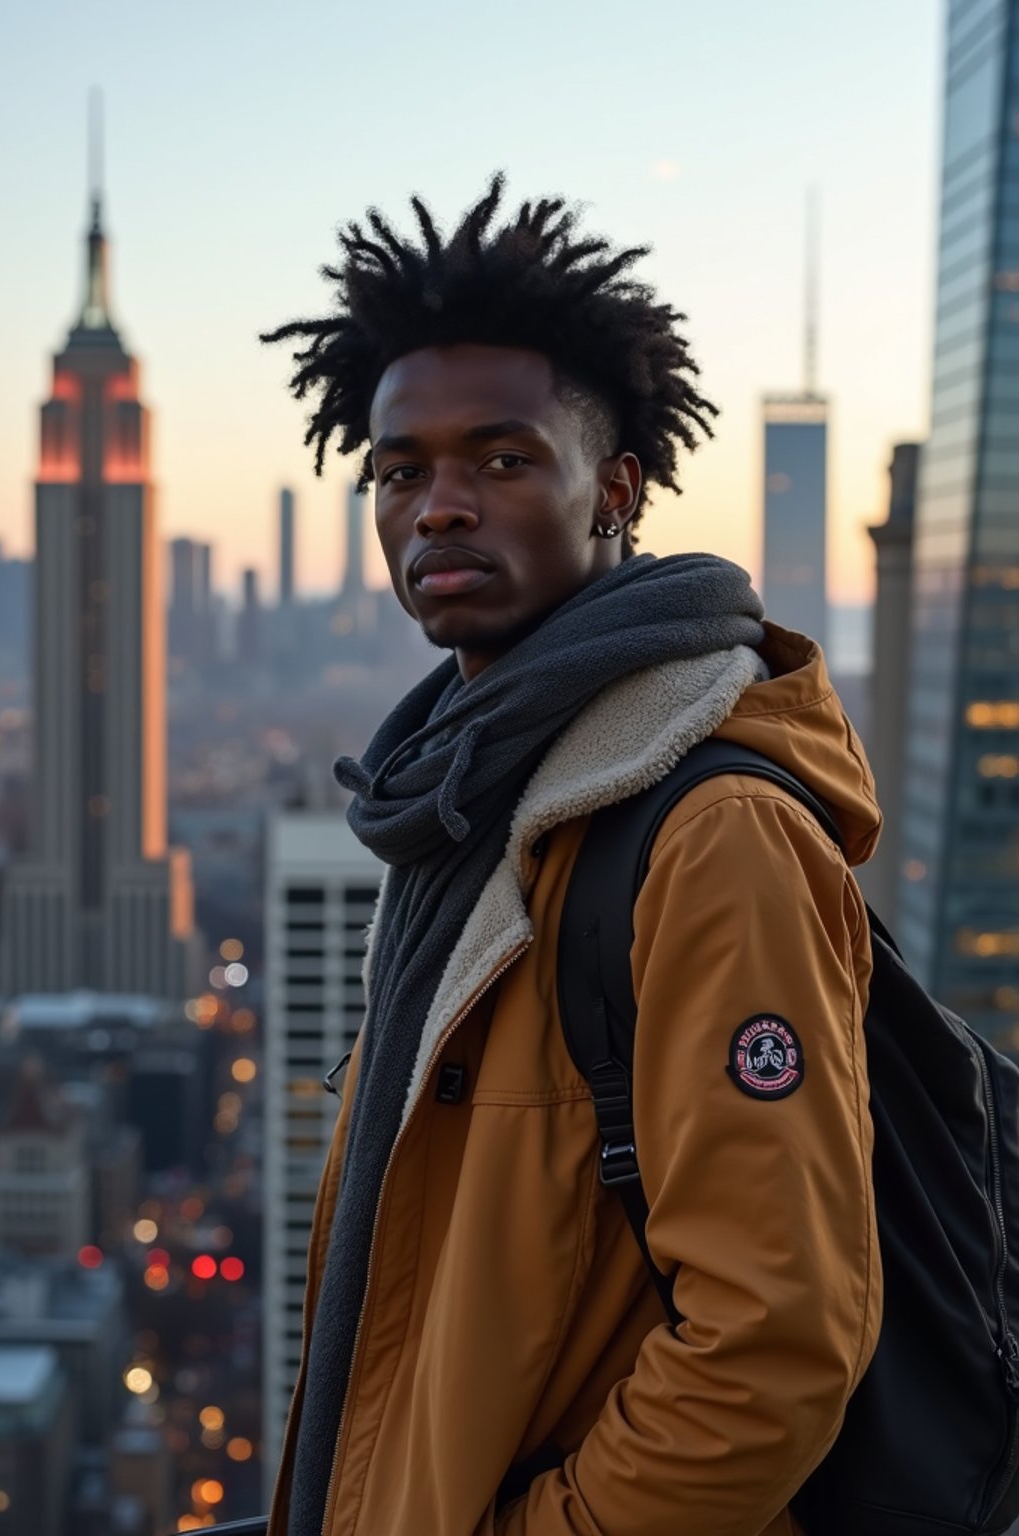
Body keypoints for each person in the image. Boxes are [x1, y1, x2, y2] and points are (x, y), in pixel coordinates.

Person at [262, 176, 882, 1536]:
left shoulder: (708, 833)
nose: (438, 507)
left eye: (500, 459)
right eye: (401, 469)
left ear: (615, 491)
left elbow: (777, 1345)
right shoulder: (471, 805)